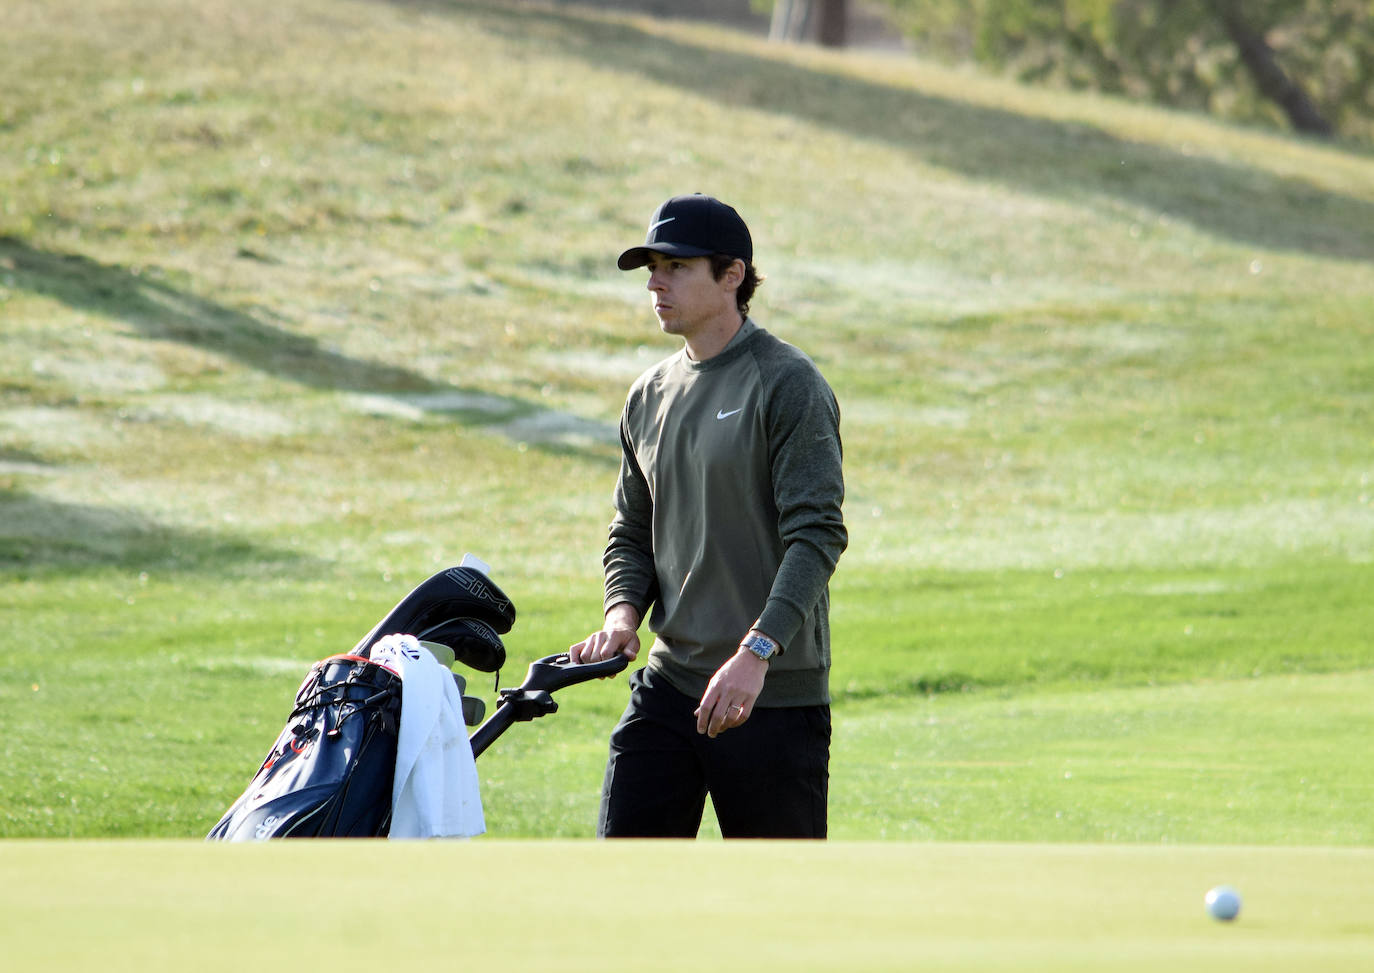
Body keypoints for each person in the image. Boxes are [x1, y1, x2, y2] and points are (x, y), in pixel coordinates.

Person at [568, 193, 847, 839]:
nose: (655, 283)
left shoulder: (786, 381)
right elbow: (631, 531)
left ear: (732, 276)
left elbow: (818, 535)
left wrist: (757, 650)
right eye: (651, 269)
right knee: (628, 881)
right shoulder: (648, 393)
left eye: (676, 266)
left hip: (771, 694)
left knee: (779, 905)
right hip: (669, 686)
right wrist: (620, 616)